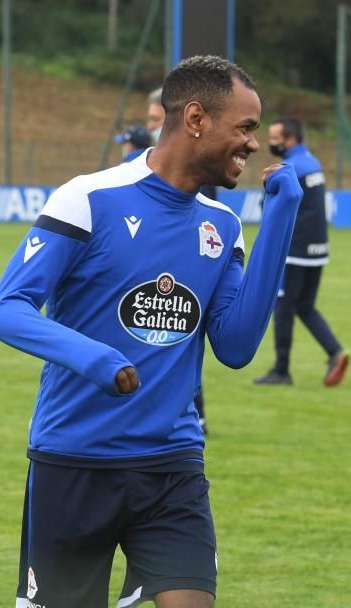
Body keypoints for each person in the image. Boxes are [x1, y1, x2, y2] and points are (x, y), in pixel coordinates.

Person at [0, 55, 302, 608]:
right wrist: (96, 358)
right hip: (75, 458)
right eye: (244, 127)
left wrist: (279, 221)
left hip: (171, 463)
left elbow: (235, 347)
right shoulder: (90, 199)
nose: (254, 143)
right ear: (195, 119)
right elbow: (6, 309)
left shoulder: (222, 226)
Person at [254, 116, 349, 387]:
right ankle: (335, 352)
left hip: (294, 250)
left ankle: (281, 371)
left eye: (274, 138)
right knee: (305, 307)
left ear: (290, 139)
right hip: (318, 249)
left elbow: (271, 206)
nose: (270, 143)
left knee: (283, 308)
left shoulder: (289, 168)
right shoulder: (313, 163)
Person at [150, 85, 215, 432]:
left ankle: (195, 412)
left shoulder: (214, 210)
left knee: (180, 331)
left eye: (154, 118)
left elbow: (236, 348)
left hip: (179, 447)